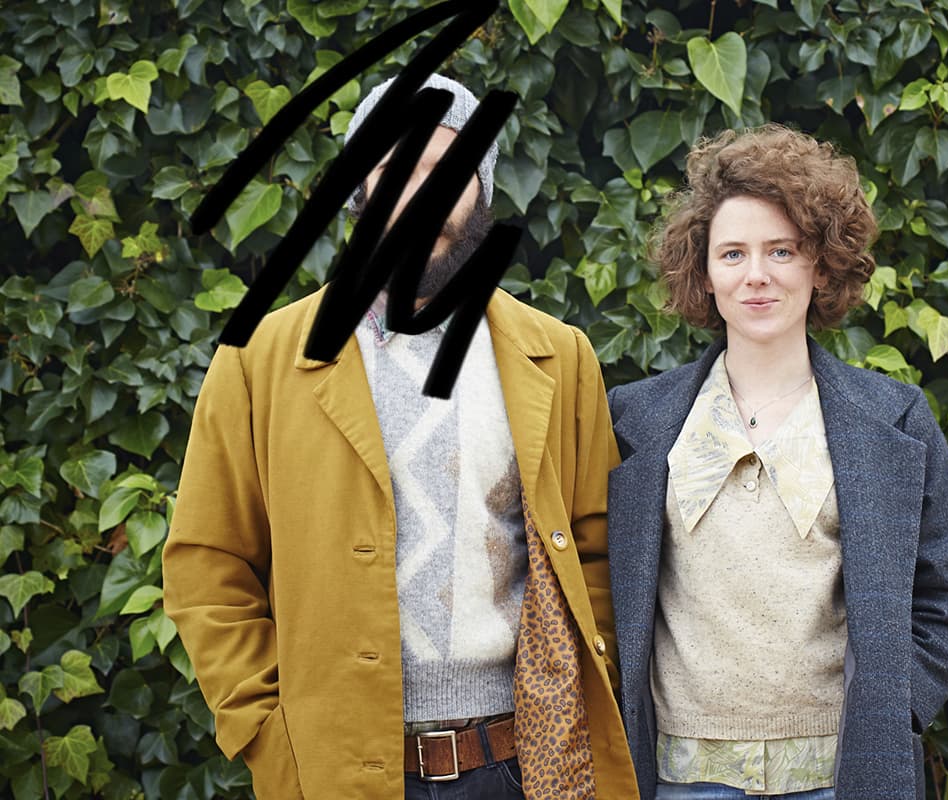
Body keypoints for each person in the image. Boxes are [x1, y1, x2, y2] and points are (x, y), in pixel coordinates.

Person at [162, 72, 638, 800]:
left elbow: (598, 550)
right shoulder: (259, 361)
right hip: (336, 770)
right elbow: (207, 565)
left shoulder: (558, 356)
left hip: (520, 767)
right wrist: (265, 732)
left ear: (481, 189)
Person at [605, 125, 948, 800]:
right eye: (733, 253)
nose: (757, 274)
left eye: (782, 250)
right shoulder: (634, 422)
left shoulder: (894, 420)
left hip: (842, 779)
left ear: (821, 265)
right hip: (679, 780)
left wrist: (895, 710)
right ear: (704, 272)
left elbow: (945, 594)